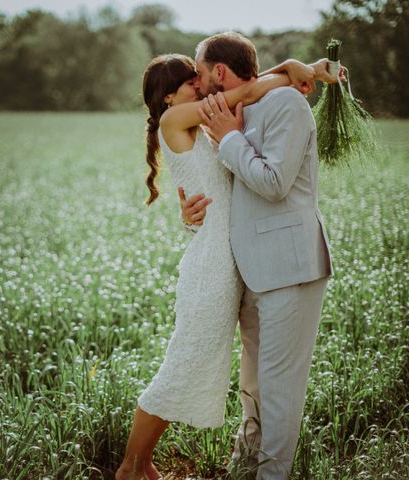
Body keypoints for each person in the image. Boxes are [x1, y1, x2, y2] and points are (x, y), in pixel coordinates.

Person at [115, 40, 338, 480]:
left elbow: (244, 90)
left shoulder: (202, 121)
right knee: (183, 362)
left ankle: (145, 464)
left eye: (200, 77)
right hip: (213, 265)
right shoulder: (175, 118)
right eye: (190, 81)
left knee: (199, 362)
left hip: (235, 261)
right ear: (166, 96)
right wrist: (298, 67)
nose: (200, 86)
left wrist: (291, 69)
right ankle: (130, 466)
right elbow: (245, 92)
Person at [178, 32, 335, 480]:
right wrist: (190, 215)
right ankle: (242, 468)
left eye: (200, 70)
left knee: (280, 389)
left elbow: (272, 183)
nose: (196, 78)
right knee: (252, 386)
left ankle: (271, 475)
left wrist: (230, 138)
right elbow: (226, 197)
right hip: (248, 272)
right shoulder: (229, 115)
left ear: (220, 72)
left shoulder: (287, 105)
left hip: (291, 267)